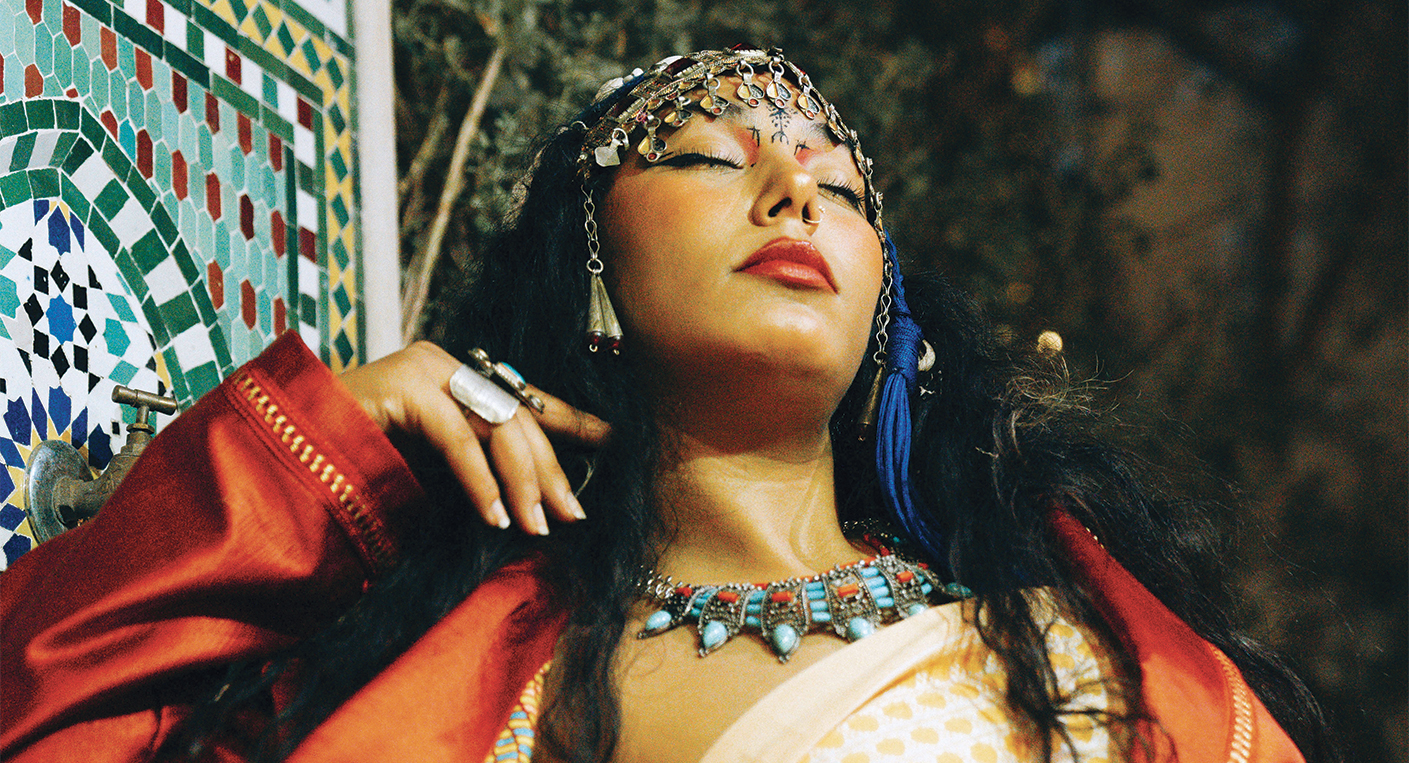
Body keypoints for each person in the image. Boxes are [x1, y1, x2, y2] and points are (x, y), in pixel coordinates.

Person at [0, 48, 1335, 763]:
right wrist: (334, 440)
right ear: (586, 258)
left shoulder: (1088, 666)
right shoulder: (446, 682)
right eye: (706, 154)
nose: (794, 192)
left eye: (841, 185)